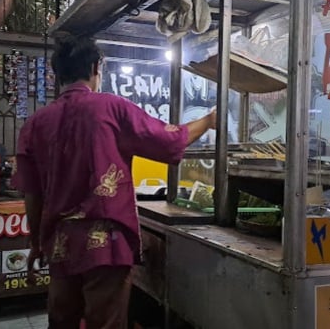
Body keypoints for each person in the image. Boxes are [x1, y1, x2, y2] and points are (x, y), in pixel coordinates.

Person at [13, 35, 216, 329]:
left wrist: (35, 242)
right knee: (106, 323)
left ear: (58, 75)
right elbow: (170, 141)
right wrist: (209, 121)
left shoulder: (34, 124)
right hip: (106, 246)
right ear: (97, 67)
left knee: (62, 321)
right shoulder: (111, 108)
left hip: (60, 243)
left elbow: (31, 194)